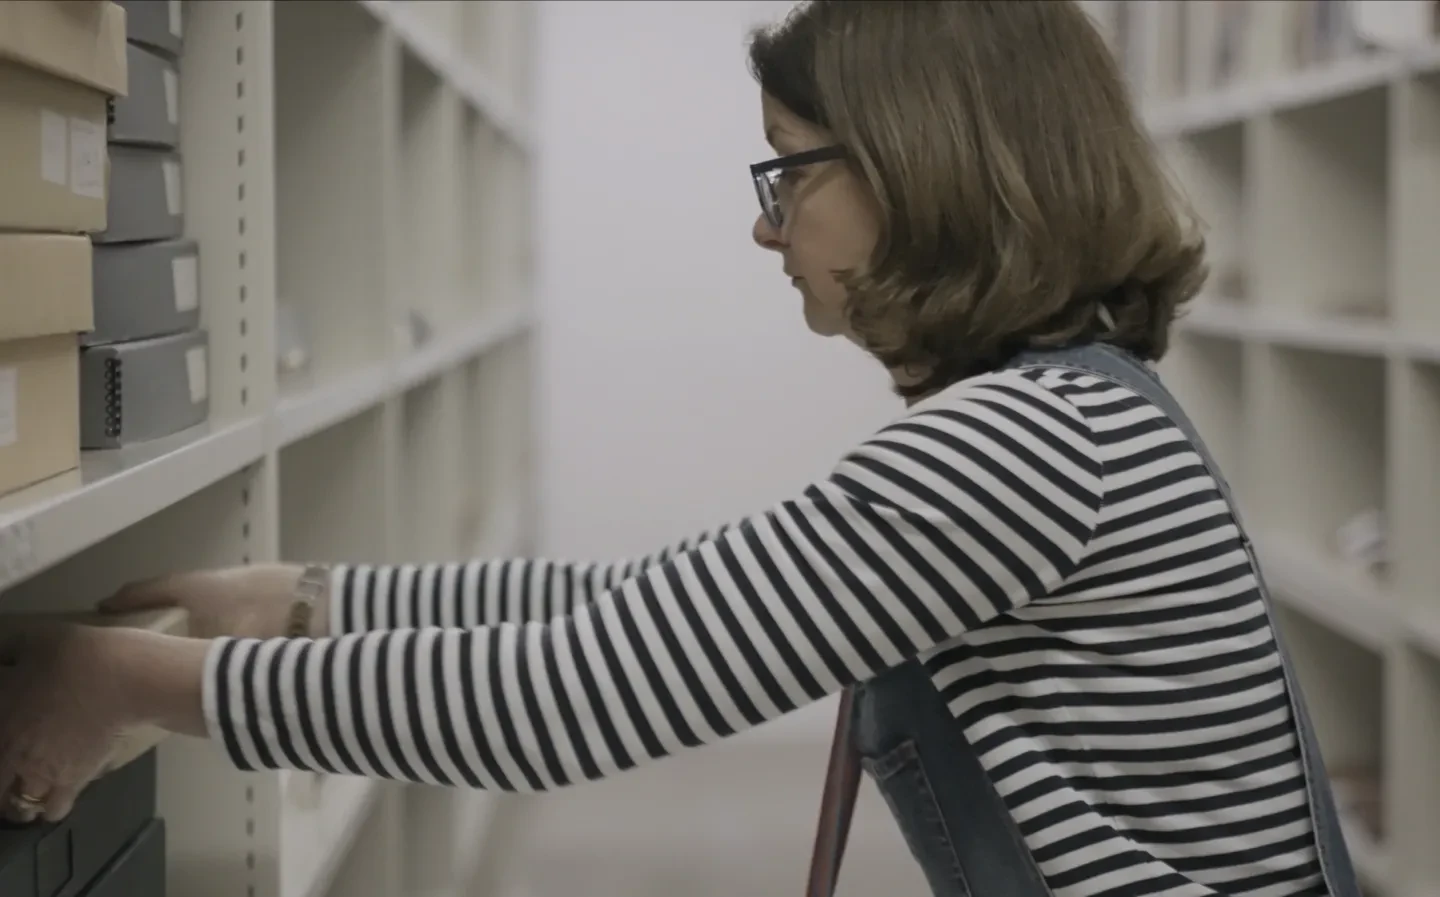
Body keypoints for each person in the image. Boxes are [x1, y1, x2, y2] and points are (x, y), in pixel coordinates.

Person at [0, 2, 1363, 896]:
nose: (769, 228)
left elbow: (560, 700)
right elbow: (662, 601)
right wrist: (304, 603)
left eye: (793, 171)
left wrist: (126, 680)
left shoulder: (1014, 448)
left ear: (928, 167)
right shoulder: (1075, 409)